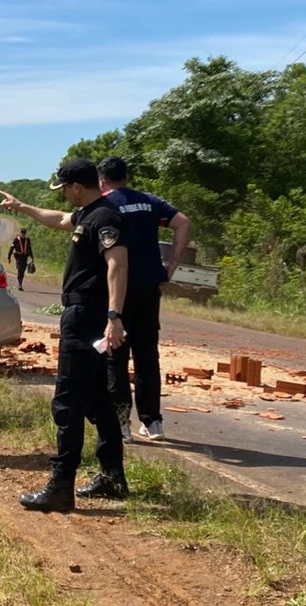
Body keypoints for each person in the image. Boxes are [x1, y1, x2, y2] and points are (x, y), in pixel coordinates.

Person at [0, 158, 129, 512]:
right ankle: (113, 477)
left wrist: (113, 316)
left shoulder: (104, 217)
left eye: (65, 189)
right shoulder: (89, 213)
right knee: (98, 400)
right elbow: (57, 218)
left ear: (76, 186)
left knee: (68, 401)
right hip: (86, 314)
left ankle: (60, 487)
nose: (64, 197)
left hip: (88, 315)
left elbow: (117, 263)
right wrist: (22, 206)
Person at [98, 155, 191, 442]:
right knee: (147, 355)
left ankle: (121, 423)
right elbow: (183, 223)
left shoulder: (105, 205)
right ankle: (153, 423)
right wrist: (172, 264)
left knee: (115, 355)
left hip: (118, 291)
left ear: (102, 180)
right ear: (126, 176)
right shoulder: (149, 202)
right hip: (150, 288)